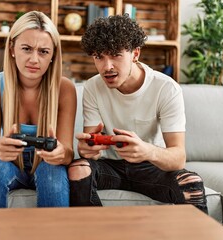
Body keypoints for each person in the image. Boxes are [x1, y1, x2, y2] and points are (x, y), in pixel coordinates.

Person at [68, 14, 208, 213]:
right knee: (77, 168)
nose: (106, 66)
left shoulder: (166, 88)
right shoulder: (92, 87)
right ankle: (95, 232)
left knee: (191, 182)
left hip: (150, 167)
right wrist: (87, 149)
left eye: (115, 54)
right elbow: (90, 149)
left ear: (135, 53)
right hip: (110, 166)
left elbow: (178, 157)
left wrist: (146, 150)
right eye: (99, 56)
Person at [0, 11, 76, 208]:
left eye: (43, 51)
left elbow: (68, 152)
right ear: (12, 48)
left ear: (53, 54)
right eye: (27, 49)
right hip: (10, 163)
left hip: (48, 164)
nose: (34, 60)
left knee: (53, 175)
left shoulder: (65, 89)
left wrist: (61, 153)